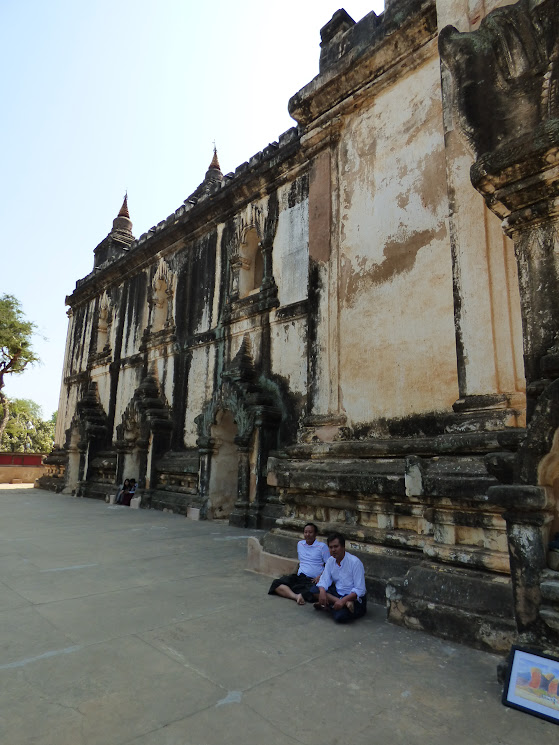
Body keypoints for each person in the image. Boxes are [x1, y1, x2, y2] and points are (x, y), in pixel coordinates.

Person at [268, 523, 330, 605]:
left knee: (313, 592)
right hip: (300, 577)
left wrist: (320, 576)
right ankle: (296, 596)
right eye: (305, 532)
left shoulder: (322, 547)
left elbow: (329, 565)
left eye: (310, 532)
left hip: (313, 580)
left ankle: (296, 594)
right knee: (276, 584)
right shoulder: (300, 544)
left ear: (316, 534)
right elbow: (302, 562)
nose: (307, 535)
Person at [312, 532, 367, 623]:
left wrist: (345, 600)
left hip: (353, 598)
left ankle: (329, 605)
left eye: (336, 546)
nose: (333, 550)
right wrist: (322, 591)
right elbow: (324, 580)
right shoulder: (330, 561)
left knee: (340, 617)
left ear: (343, 547)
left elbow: (360, 589)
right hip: (338, 593)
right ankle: (341, 604)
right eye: (330, 547)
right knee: (315, 590)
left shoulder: (355, 562)